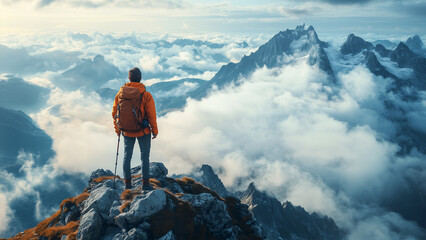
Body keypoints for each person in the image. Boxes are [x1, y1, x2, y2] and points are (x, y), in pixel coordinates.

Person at [112, 67, 158, 190]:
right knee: (144, 156)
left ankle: (127, 184)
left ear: (129, 78)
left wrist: (118, 129)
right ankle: (145, 184)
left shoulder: (120, 94)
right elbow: (151, 115)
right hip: (143, 131)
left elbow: (115, 112)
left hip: (126, 130)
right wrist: (155, 130)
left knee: (127, 156)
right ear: (140, 78)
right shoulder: (146, 95)